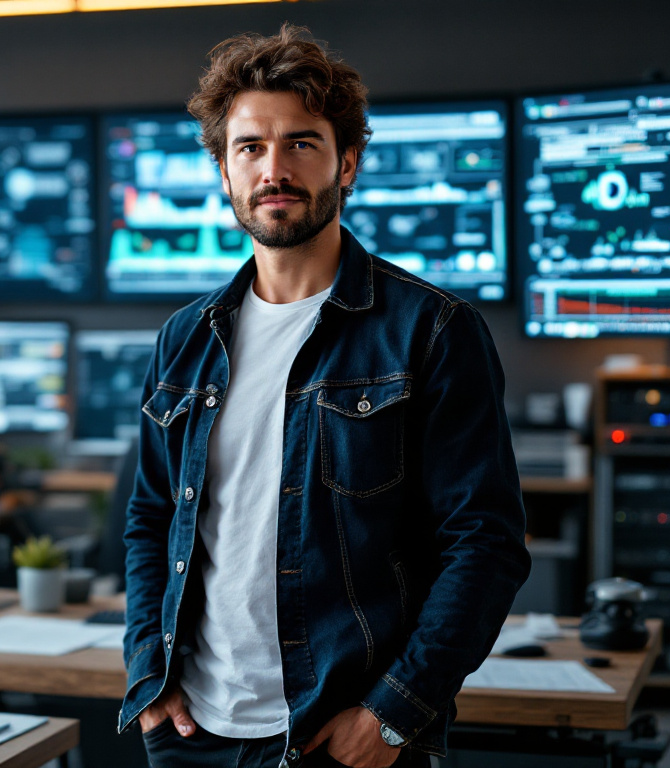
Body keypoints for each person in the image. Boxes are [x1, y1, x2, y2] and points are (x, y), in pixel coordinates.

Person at [119, 24, 531, 768]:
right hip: (191, 736)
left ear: (347, 164)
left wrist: (393, 716)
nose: (273, 169)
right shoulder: (185, 337)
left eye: (301, 143)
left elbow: (486, 545)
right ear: (223, 169)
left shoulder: (433, 330)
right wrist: (149, 674)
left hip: (339, 739)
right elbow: (151, 519)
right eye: (250, 147)